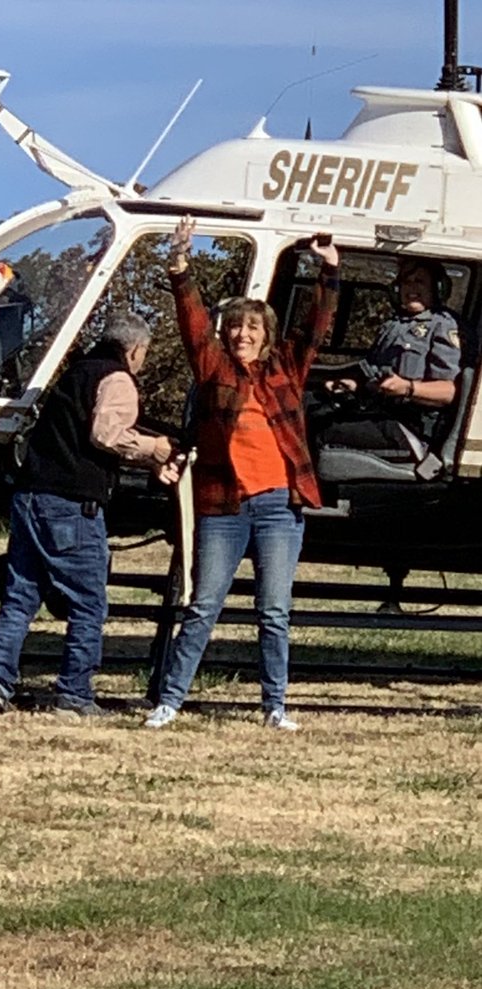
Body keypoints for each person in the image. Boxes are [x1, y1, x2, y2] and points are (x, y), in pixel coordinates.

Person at [145, 216, 339, 732]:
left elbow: (315, 327)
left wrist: (329, 271)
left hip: (278, 506)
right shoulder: (214, 369)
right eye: (235, 327)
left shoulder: (286, 368)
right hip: (223, 506)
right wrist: (179, 267)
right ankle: (169, 702)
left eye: (252, 328)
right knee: (203, 606)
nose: (242, 334)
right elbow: (191, 323)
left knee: (274, 611)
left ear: (266, 335)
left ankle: (275, 707)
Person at [0, 312, 178, 716]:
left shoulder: (75, 373)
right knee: (88, 604)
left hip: (30, 496)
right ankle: (74, 694)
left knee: (20, 596)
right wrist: (154, 449)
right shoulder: (117, 378)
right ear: (135, 349)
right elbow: (106, 435)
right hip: (72, 504)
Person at [321, 258, 461, 455]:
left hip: (412, 427)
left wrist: (408, 388)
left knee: (323, 430)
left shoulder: (444, 325)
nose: (411, 287)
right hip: (380, 412)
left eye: (419, 281)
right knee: (312, 409)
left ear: (438, 288)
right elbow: (374, 373)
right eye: (406, 281)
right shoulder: (394, 325)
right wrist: (354, 385)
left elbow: (451, 392)